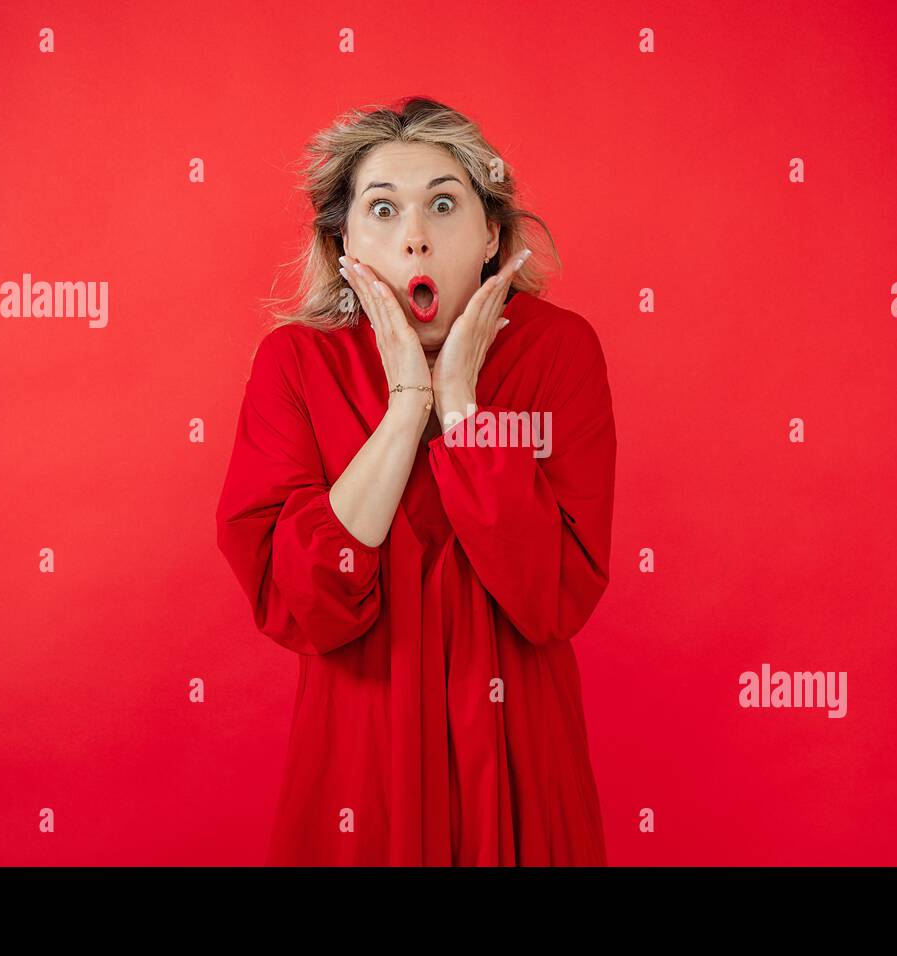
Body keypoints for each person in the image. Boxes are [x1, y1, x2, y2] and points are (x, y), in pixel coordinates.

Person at [215, 96, 617, 865]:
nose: (416, 238)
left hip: (523, 762)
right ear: (343, 243)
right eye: (383, 209)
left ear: (491, 235)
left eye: (443, 203)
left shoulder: (562, 353)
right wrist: (408, 408)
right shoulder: (296, 365)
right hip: (360, 773)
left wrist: (463, 410)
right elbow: (304, 605)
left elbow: (552, 597)